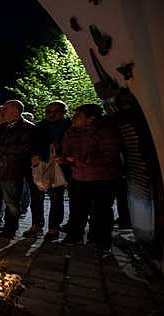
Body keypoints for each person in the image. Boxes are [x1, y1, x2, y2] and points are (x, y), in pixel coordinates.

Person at [60, 104, 122, 255]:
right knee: (78, 209)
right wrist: (62, 158)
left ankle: (101, 240)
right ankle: (75, 236)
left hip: (103, 178)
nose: (73, 118)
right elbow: (66, 151)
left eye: (78, 116)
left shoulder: (105, 132)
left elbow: (108, 156)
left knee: (102, 211)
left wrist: (77, 159)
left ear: (91, 119)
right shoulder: (71, 132)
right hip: (79, 177)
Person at [0, 100, 35, 238]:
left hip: (12, 169)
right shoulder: (2, 127)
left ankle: (10, 228)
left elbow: (24, 149)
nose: (2, 111)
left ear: (16, 111)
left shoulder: (28, 128)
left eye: (6, 109)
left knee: (11, 201)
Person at [24, 100, 72, 240]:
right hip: (41, 164)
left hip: (61, 165)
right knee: (36, 197)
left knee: (56, 198)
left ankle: (53, 228)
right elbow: (31, 143)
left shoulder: (70, 126)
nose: (51, 114)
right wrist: (34, 154)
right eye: (48, 111)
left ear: (64, 111)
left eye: (55, 111)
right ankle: (36, 225)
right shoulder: (39, 126)